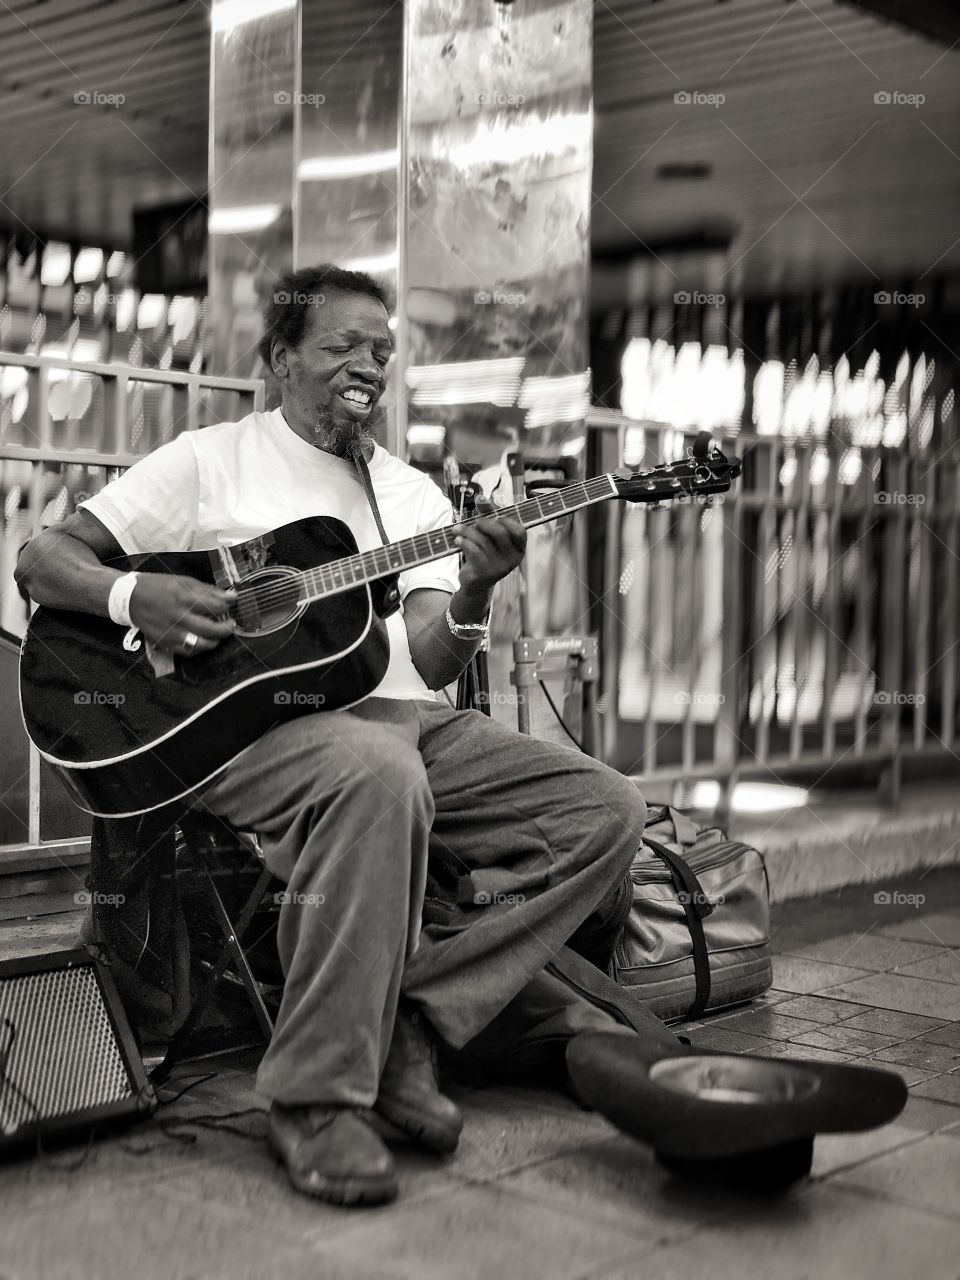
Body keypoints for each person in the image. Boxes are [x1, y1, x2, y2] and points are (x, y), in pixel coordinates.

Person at [15, 264, 647, 1207]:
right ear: (279, 360)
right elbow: (41, 560)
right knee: (376, 772)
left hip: (404, 725)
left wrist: (476, 588)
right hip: (244, 734)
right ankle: (316, 1097)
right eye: (342, 346)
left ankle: (412, 1017)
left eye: (382, 352)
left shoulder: (414, 499)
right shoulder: (209, 459)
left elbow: (430, 662)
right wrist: (134, 591)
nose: (368, 365)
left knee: (606, 808)